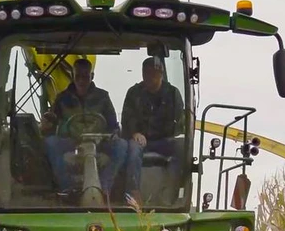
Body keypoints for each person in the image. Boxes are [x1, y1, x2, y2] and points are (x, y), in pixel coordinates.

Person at [41, 58, 128, 199]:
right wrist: (46, 124)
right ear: (72, 75)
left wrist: (111, 135)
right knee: (50, 143)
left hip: (99, 142)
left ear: (92, 76)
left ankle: (105, 187)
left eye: (85, 77)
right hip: (71, 141)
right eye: (78, 76)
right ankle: (67, 189)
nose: (81, 81)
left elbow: (113, 125)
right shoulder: (62, 98)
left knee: (122, 145)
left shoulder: (103, 97)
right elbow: (52, 122)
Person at [121, 56, 185, 203]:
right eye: (146, 73)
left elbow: (179, 121)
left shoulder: (173, 94)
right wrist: (135, 132)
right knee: (132, 148)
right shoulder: (134, 92)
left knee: (182, 147)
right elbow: (127, 118)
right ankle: (133, 193)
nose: (149, 77)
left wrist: (166, 131)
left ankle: (171, 191)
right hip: (140, 140)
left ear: (161, 74)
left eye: (153, 74)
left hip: (164, 140)